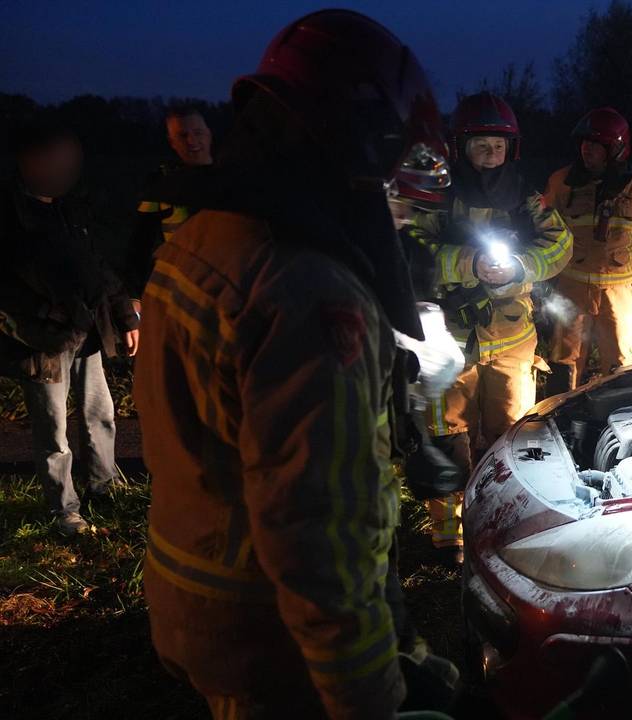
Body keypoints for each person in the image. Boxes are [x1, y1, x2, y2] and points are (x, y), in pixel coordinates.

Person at [133, 10, 458, 718]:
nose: (402, 206)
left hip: (201, 598)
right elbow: (320, 542)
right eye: (397, 169)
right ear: (360, 146)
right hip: (276, 640)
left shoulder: (205, 235)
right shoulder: (311, 295)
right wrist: (376, 698)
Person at [396, 92, 571, 565]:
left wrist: (519, 266)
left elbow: (560, 245)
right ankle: (447, 531)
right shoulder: (438, 195)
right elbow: (411, 246)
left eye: (497, 146)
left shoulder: (528, 197)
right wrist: (468, 263)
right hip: (449, 337)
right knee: (446, 427)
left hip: (512, 338)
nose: (489, 154)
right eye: (480, 146)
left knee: (513, 431)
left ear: (510, 149)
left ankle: (503, 518)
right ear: (461, 148)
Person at [0, 120, 139, 536]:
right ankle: (65, 511)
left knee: (101, 414)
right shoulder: (10, 215)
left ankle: (105, 488)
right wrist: (45, 317)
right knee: (53, 429)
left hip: (88, 334)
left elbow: (99, 269)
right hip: (42, 342)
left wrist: (125, 314)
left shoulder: (69, 209)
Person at [543, 108, 632, 394]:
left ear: (617, 148)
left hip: (620, 290)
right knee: (565, 356)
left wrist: (626, 263)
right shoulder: (561, 182)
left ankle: (617, 413)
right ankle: (562, 411)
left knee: (620, 357)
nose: (587, 149)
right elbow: (546, 226)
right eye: (584, 143)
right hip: (572, 287)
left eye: (596, 144)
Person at [128, 106, 214, 294]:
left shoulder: (232, 179)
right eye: (182, 135)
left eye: (197, 132)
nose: (192, 141)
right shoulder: (161, 185)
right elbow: (140, 244)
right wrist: (135, 293)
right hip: (182, 290)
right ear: (172, 142)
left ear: (209, 134)